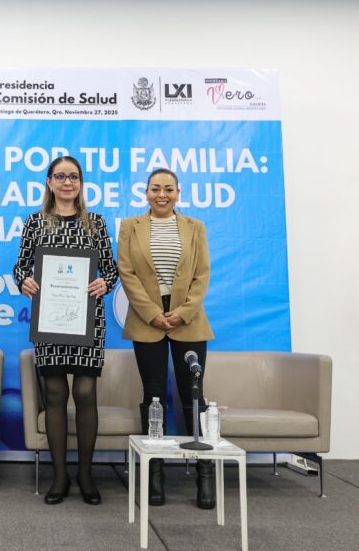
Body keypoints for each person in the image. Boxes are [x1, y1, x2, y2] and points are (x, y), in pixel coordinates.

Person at [13, 156, 118, 505]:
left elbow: (112, 269)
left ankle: (85, 473)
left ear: (81, 183)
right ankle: (59, 476)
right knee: (55, 394)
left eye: (73, 176)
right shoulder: (35, 222)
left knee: (85, 393)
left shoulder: (96, 222)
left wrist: (105, 283)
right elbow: (20, 267)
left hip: (88, 319)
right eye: (60, 176)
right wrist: (24, 282)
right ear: (49, 182)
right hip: (50, 319)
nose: (67, 182)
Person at [117, 168, 215, 509]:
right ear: (146, 192)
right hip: (148, 319)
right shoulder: (130, 227)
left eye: (169, 189)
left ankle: (205, 475)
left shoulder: (195, 227)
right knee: (154, 396)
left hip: (188, 319)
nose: (162, 194)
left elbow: (202, 274)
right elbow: (126, 272)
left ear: (178, 192)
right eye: (156, 188)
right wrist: (151, 312)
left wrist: (183, 312)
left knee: (193, 395)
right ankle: (154, 475)